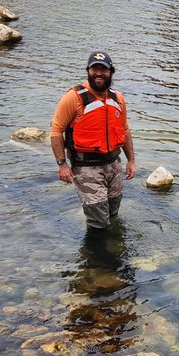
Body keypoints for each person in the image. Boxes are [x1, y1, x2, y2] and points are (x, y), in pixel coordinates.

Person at [50, 50, 136, 229]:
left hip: (113, 164)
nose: (98, 73)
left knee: (113, 212)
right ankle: (96, 255)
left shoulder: (118, 99)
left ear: (111, 72)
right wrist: (62, 164)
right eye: (94, 69)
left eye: (103, 69)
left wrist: (131, 161)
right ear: (87, 71)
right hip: (86, 167)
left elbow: (125, 130)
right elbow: (56, 131)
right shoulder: (74, 98)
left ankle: (112, 247)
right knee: (98, 219)